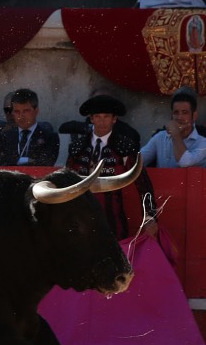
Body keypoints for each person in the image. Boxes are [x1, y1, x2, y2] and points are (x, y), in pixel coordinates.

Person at [65, 94, 159, 240]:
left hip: (113, 222)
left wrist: (149, 216)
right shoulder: (77, 148)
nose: (102, 121)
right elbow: (66, 184)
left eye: (106, 116)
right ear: (91, 119)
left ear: (114, 119)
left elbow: (144, 185)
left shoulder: (124, 148)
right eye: (97, 116)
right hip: (81, 220)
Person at [0, 88, 59, 166]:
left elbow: (46, 162)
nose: (21, 116)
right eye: (17, 111)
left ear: (36, 111)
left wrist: (12, 160)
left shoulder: (49, 137)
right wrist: (24, 160)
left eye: (26, 111)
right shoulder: (3, 137)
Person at [141, 89, 206, 167]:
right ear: (171, 115)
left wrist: (175, 133)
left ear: (194, 116)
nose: (179, 117)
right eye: (176, 112)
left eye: (185, 112)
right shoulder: (160, 137)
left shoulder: (203, 143)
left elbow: (185, 162)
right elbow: (138, 162)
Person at [59, 87, 141, 145]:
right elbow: (64, 128)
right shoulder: (87, 123)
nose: (101, 105)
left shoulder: (124, 130)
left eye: (106, 102)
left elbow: (134, 136)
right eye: (97, 101)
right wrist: (91, 128)